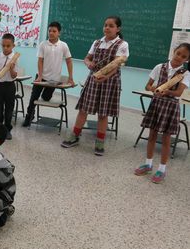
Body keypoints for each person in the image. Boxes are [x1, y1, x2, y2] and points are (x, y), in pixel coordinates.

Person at [61, 16, 129, 156]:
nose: (107, 28)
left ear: (118, 29)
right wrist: (88, 64)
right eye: (105, 25)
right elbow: (87, 58)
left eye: (111, 25)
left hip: (109, 81)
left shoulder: (122, 44)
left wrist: (105, 76)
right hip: (93, 79)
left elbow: (117, 65)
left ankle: (99, 142)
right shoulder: (97, 42)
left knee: (103, 113)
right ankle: (75, 136)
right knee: (83, 109)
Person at [134, 43, 190, 183]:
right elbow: (147, 86)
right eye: (178, 53)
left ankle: (162, 170)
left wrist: (168, 91)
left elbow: (178, 93)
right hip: (157, 104)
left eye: (184, 57)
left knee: (166, 139)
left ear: (186, 60)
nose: (179, 57)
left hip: (171, 106)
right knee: (152, 135)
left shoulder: (185, 74)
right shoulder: (160, 67)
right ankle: (148, 164)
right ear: (173, 51)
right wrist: (156, 89)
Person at [23, 21, 73, 127]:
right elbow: (40, 60)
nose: (51, 33)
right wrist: (40, 76)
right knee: (34, 98)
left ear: (59, 33)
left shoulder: (63, 45)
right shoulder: (43, 44)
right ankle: (29, 117)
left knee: (46, 97)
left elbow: (69, 61)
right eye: (49, 31)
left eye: (54, 31)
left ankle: (45, 96)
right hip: (41, 77)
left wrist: (71, 78)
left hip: (54, 80)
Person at [0, 33, 18, 140]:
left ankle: (7, 130)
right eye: (3, 46)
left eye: (8, 46)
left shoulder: (15, 58)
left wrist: (11, 69)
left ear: (13, 46)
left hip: (10, 86)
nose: (5, 48)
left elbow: (14, 75)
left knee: (9, 109)